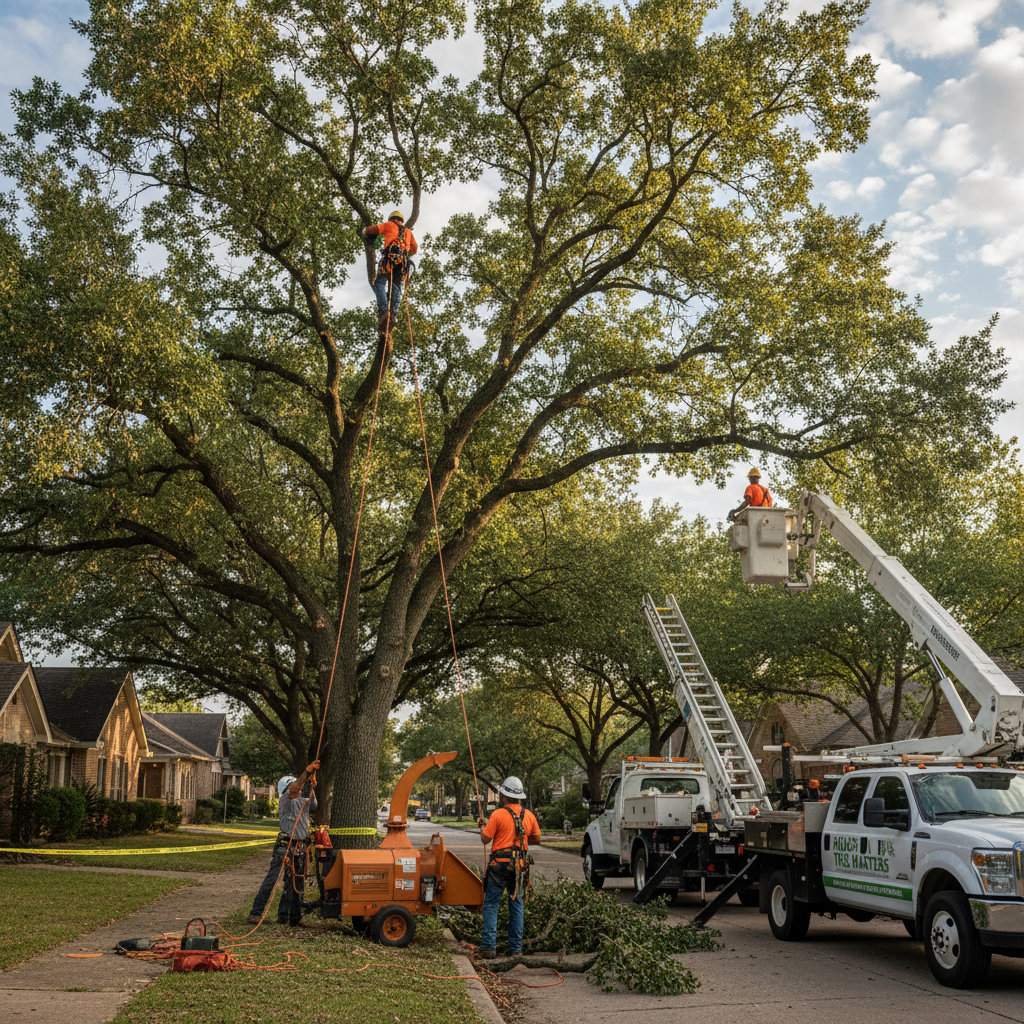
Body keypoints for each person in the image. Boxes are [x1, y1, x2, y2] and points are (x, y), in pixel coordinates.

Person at [476, 776, 542, 960]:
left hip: (499, 866)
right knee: (517, 905)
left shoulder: (498, 815)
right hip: (519, 867)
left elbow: (485, 839)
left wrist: (482, 828)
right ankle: (515, 949)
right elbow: (537, 838)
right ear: (519, 797)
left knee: (491, 905)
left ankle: (489, 948)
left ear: (504, 796)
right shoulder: (529, 816)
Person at [248, 759, 320, 927]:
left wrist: (312, 784)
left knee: (296, 883)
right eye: (293, 786)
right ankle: (255, 913)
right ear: (286, 790)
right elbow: (296, 788)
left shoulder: (303, 802)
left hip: (300, 847)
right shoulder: (285, 801)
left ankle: (291, 917)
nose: (297, 788)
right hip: (285, 847)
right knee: (272, 879)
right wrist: (307, 771)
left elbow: (314, 804)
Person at [359, 210, 418, 340]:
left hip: (389, 260)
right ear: (401, 221)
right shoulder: (408, 232)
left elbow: (373, 229)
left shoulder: (389, 225)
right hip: (402, 264)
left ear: (392, 219)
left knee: (379, 284)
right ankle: (393, 315)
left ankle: (384, 312)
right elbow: (414, 248)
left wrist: (364, 232)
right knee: (397, 289)